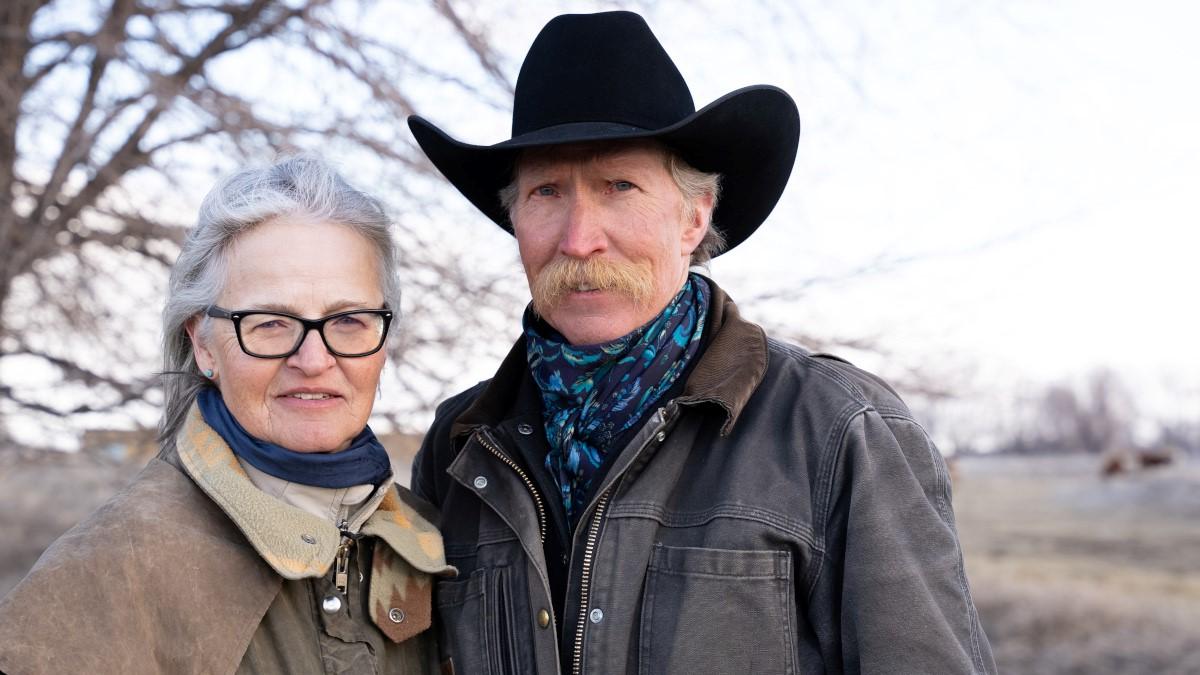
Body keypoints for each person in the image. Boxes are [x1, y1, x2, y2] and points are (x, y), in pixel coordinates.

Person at [409, 11, 996, 675]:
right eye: (547, 191)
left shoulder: (835, 431)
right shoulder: (458, 445)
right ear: (515, 219)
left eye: (618, 186)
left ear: (693, 217)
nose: (578, 238)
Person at [0, 156, 452, 674]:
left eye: (348, 320)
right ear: (204, 345)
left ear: (383, 340)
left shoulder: (444, 548)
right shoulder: (105, 576)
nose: (314, 360)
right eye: (270, 323)